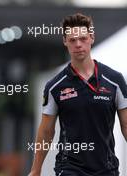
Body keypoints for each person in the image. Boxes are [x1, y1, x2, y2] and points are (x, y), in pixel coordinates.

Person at [29, 13, 127, 176]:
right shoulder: (54, 86)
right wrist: (35, 169)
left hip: (107, 168)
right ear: (65, 41)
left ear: (92, 38)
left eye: (83, 38)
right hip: (69, 168)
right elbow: (46, 131)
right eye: (73, 40)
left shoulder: (115, 80)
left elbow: (126, 125)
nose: (78, 44)